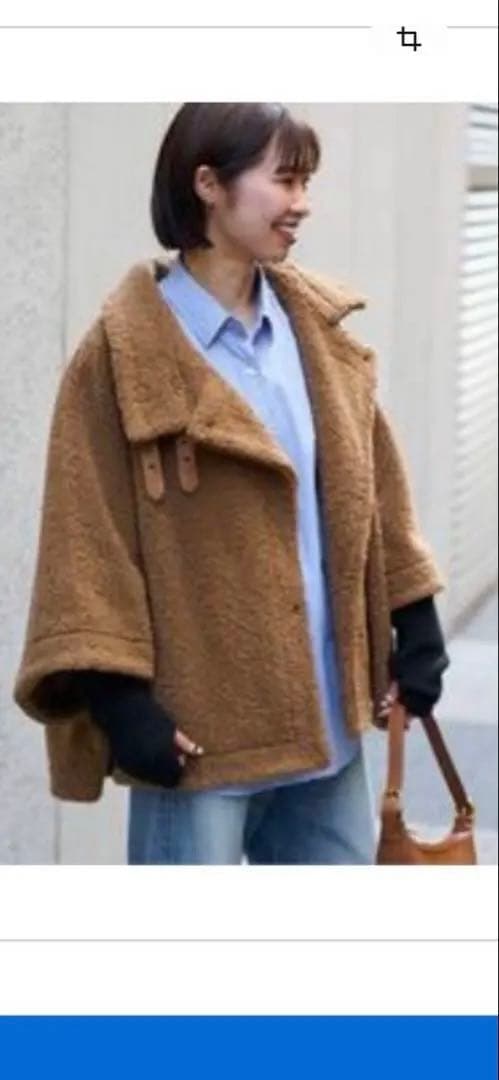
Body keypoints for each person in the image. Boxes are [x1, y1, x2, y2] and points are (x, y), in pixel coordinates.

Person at [13, 103, 449, 865]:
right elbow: (86, 540)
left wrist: (415, 625)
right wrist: (123, 706)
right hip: (201, 741)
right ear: (208, 184)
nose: (302, 203)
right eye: (284, 180)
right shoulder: (120, 356)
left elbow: (372, 487)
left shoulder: (317, 333)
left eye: (305, 181)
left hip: (328, 731)